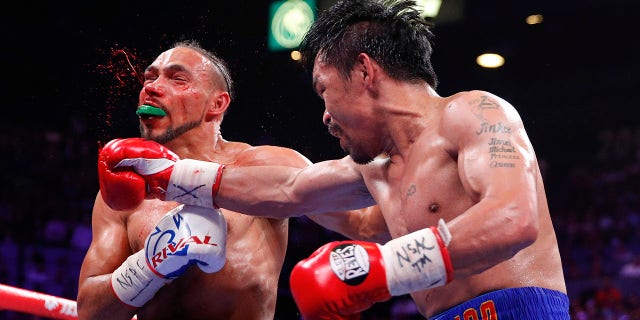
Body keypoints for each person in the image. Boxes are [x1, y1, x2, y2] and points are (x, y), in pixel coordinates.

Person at [95, 0, 570, 318]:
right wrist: (173, 176)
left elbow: (513, 218)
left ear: (364, 71)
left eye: (325, 90)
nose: (324, 115)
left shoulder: (472, 112)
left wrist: (384, 269)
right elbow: (288, 190)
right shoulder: (378, 169)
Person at [77, 40, 387, 320]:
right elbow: (90, 310)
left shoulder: (266, 164)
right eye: (150, 77)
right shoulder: (125, 190)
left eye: (177, 78)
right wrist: (150, 265)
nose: (153, 87)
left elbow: (366, 223)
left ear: (217, 104)